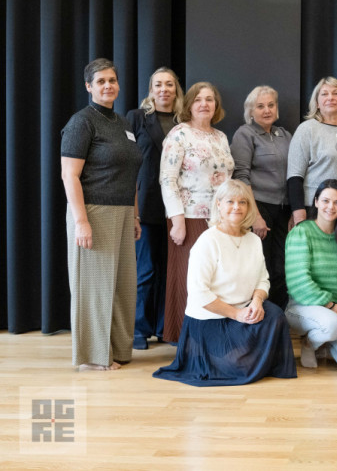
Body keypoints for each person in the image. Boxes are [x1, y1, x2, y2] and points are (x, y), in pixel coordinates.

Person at [153, 180, 297, 386]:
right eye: (230, 201)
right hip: (211, 320)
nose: (237, 207)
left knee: (274, 315)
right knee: (239, 367)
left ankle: (249, 360)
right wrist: (237, 314)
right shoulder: (207, 241)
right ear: (218, 204)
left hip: (243, 311)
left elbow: (263, 279)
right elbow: (199, 294)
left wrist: (256, 302)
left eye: (243, 202)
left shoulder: (254, 240)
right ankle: (243, 361)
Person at [61, 58, 142, 370]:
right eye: (101, 81)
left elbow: (130, 172)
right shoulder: (82, 122)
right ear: (89, 87)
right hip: (93, 211)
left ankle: (118, 351)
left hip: (122, 214)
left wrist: (134, 215)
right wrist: (81, 220)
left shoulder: (122, 124)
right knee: (94, 287)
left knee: (123, 286)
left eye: (112, 80)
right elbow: (70, 176)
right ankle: (92, 359)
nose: (108, 85)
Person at [160, 82, 234, 343]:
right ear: (189, 104)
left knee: (217, 278)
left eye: (210, 99)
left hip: (220, 220)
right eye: (199, 99)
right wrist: (177, 220)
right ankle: (184, 337)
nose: (204, 104)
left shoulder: (221, 137)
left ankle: (211, 335)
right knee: (188, 278)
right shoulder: (179, 134)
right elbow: (167, 179)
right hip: (189, 218)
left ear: (216, 106)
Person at [127, 67, 184, 350]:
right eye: (158, 84)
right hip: (147, 204)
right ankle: (139, 329)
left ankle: (166, 328)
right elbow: (128, 163)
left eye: (169, 84)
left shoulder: (183, 122)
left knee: (171, 271)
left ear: (176, 90)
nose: (164, 89)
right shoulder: (136, 118)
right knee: (146, 271)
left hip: (178, 209)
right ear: (151, 90)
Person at [284, 179, 337, 372]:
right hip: (302, 307)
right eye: (326, 201)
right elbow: (298, 282)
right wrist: (332, 306)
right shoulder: (301, 233)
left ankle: (324, 342)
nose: (331, 207)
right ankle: (310, 343)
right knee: (331, 325)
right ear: (316, 201)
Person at [231, 86, 292, 310]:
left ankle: (278, 317)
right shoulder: (244, 134)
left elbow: (295, 171)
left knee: (282, 266)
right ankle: (258, 316)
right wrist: (255, 216)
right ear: (251, 111)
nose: (267, 110)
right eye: (260, 106)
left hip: (284, 210)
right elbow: (241, 176)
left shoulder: (284, 134)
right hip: (259, 208)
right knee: (260, 266)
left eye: (271, 105)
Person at [287, 77, 337, 228]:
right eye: (324, 94)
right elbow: (295, 176)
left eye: (335, 93)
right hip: (315, 210)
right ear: (317, 103)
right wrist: (298, 213)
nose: (330, 98)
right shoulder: (307, 129)